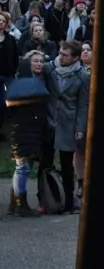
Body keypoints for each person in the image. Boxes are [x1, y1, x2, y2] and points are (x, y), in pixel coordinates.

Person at [41, 40, 90, 214]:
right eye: (60, 53)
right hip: (49, 120)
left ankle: (69, 202)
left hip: (68, 123)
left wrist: (80, 128)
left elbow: (83, 104)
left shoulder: (82, 76)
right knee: (45, 162)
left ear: (75, 58)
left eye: (65, 55)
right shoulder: (50, 68)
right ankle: (44, 200)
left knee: (66, 164)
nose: (60, 56)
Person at [7, 50, 49, 217]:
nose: (39, 63)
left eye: (41, 61)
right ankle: (20, 204)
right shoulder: (24, 83)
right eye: (35, 61)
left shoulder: (32, 81)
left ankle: (14, 203)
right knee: (22, 168)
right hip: (24, 130)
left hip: (30, 130)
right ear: (27, 64)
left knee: (23, 168)